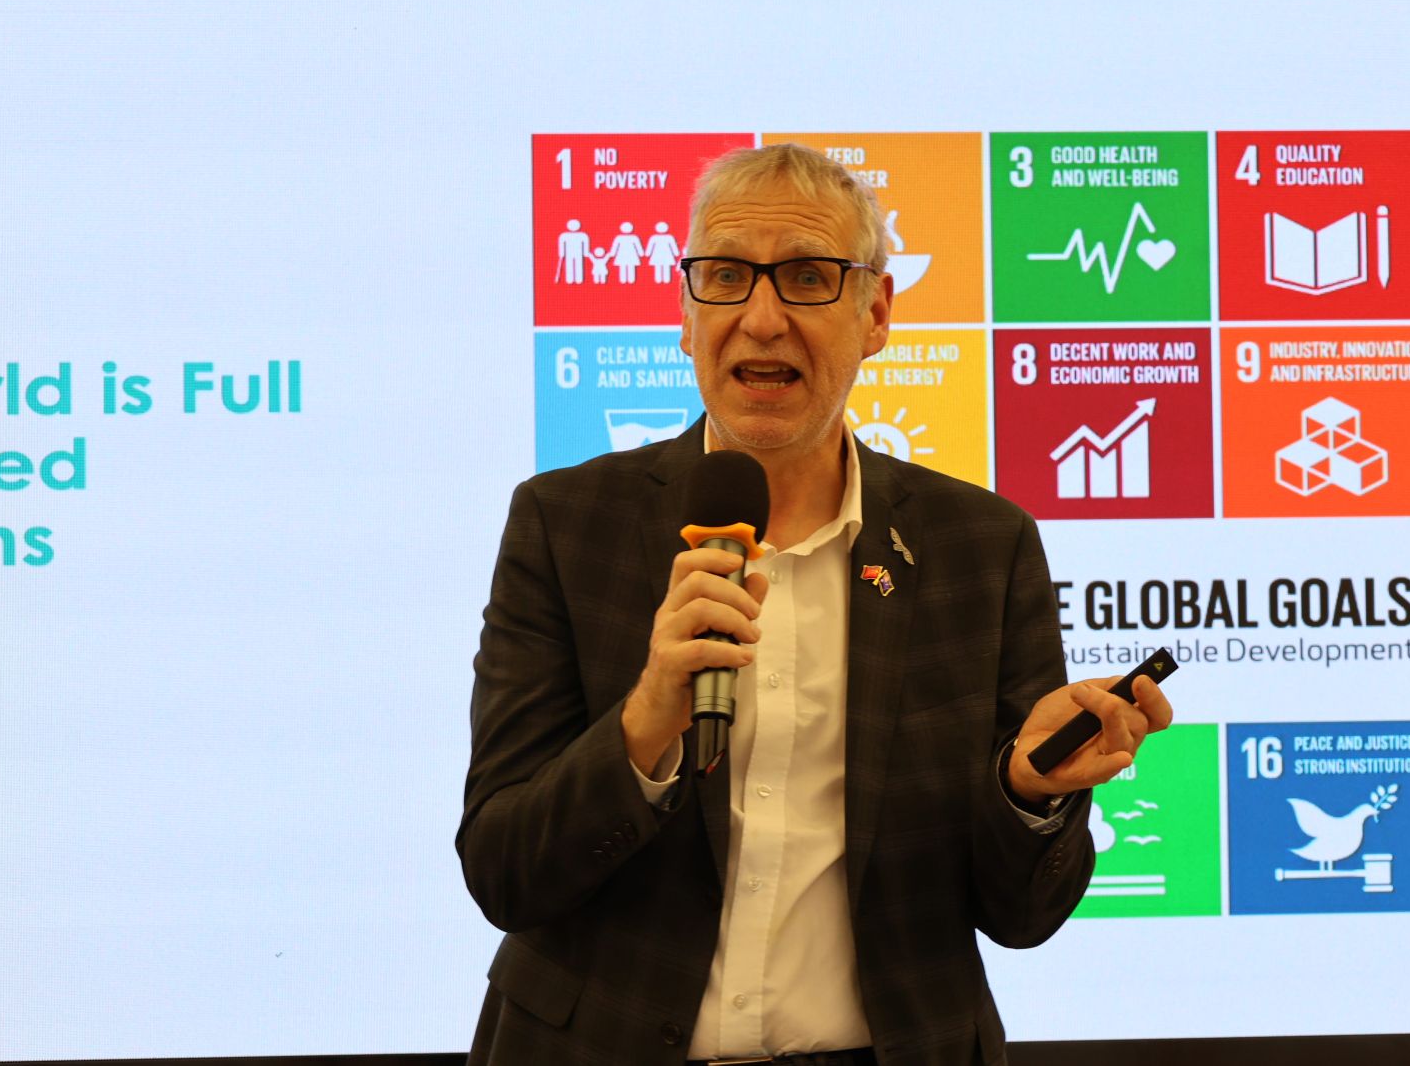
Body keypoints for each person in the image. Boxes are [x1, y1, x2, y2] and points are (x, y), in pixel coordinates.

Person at [460, 143, 1171, 1066]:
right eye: (726, 276)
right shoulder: (566, 524)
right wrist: (645, 722)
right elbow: (503, 870)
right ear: (686, 314)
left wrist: (1027, 790)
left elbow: (1022, 914)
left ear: (875, 314)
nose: (762, 319)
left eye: (806, 277)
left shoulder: (980, 547)